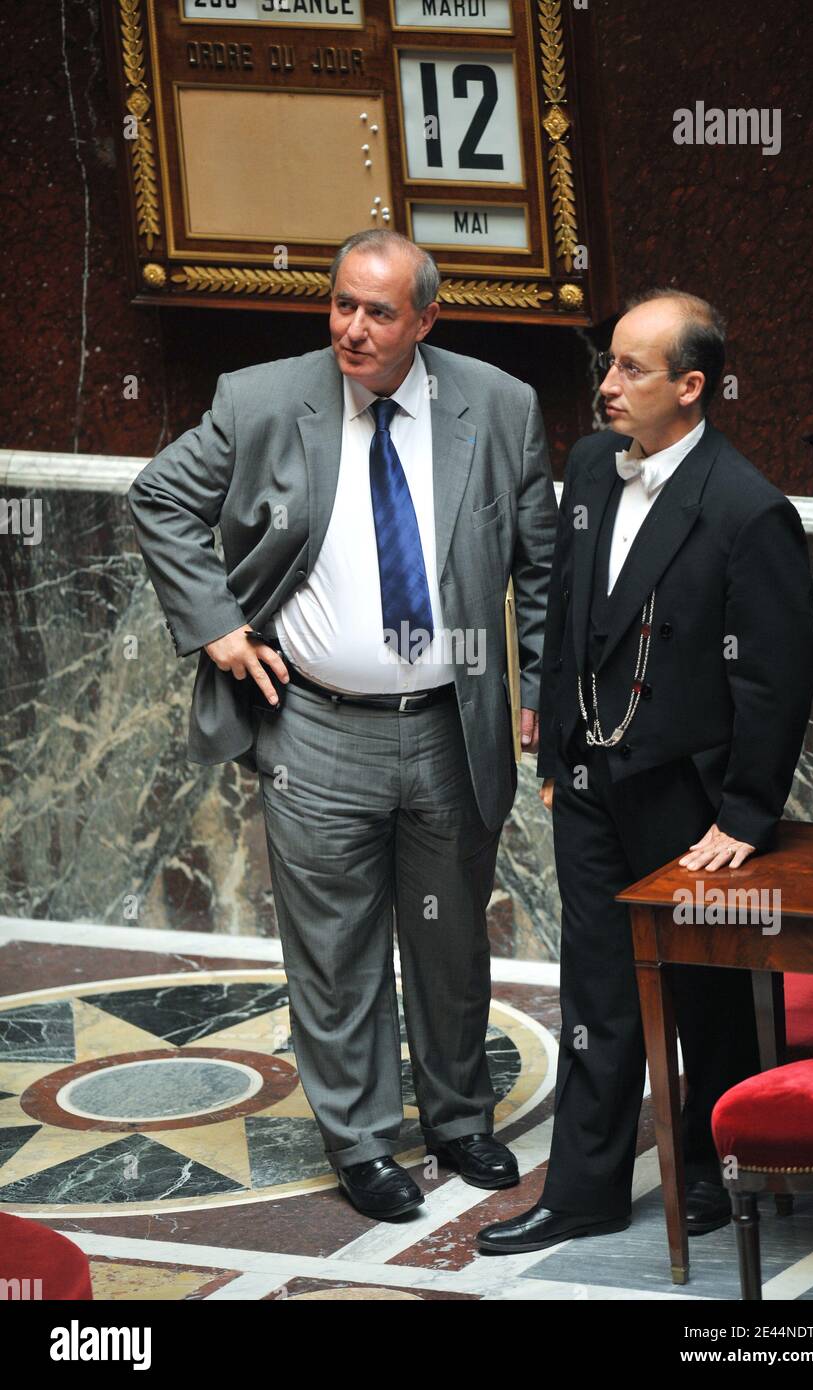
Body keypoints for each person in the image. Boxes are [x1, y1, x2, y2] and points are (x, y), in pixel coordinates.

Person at [127, 229, 557, 1221]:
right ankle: (360, 1138)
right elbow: (161, 499)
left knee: (450, 937)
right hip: (314, 725)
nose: (351, 330)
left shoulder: (495, 406)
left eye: (376, 312)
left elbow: (540, 561)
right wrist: (218, 629)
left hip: (451, 722)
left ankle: (458, 1117)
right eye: (339, 305)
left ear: (425, 319)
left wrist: (538, 682)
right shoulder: (263, 399)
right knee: (334, 947)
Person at [477, 288, 813, 1253]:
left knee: (706, 993)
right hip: (590, 782)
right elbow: (562, 605)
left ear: (692, 386)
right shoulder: (589, 467)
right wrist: (554, 750)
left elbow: (777, 675)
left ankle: (721, 1165)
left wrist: (747, 814)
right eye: (608, 363)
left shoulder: (748, 509)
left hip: (690, 795)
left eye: (631, 368)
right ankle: (582, 1191)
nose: (607, 385)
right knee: (595, 989)